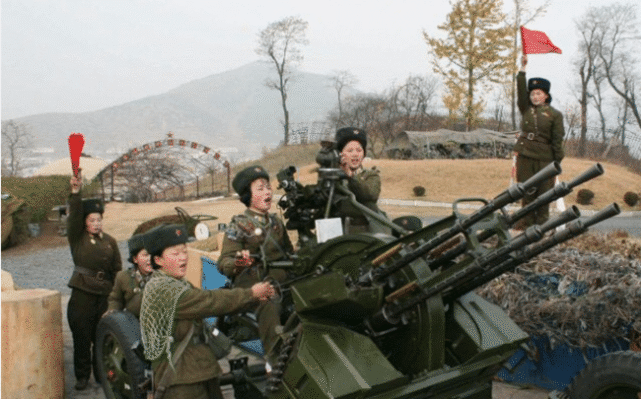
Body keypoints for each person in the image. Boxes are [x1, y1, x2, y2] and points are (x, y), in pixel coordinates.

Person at [139, 224, 275, 399]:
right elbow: (208, 302)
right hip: (180, 381)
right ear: (158, 260)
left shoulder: (177, 283)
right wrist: (251, 294)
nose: (183, 258)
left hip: (198, 370)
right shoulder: (163, 290)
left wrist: (254, 296)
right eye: (175, 254)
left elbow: (212, 300)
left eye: (184, 252)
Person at [218, 165, 293, 360]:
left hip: (282, 278)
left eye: (268, 187)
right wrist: (240, 263)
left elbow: (289, 254)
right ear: (247, 195)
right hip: (254, 282)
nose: (267, 192)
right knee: (268, 300)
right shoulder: (239, 225)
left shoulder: (276, 222)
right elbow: (224, 264)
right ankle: (276, 359)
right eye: (260, 188)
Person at [67, 170, 122, 390]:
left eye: (99, 219)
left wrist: (117, 294)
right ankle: (82, 376)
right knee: (81, 335)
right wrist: (76, 192)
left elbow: (117, 269)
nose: (97, 223)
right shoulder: (77, 238)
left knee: (103, 335)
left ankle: (102, 374)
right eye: (92, 220)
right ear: (85, 222)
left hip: (104, 294)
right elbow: (74, 216)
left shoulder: (110, 241)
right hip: (82, 292)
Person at [513, 54, 565, 229]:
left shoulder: (555, 115)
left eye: (538, 93)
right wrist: (523, 69)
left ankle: (542, 226)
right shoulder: (526, 109)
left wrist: (557, 161)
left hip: (545, 158)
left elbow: (558, 140)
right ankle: (525, 225)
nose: (534, 96)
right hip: (525, 155)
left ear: (546, 96)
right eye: (533, 93)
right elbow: (520, 92)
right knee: (526, 191)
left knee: (544, 194)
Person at [334, 126, 384, 233]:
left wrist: (350, 176)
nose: (355, 154)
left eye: (359, 150)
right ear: (340, 154)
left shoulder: (370, 175)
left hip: (366, 233)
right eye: (350, 150)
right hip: (337, 232)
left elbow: (370, 194)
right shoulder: (332, 176)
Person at [104, 232, 153, 318]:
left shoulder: (162, 276)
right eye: (145, 255)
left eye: (153, 254)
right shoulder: (123, 277)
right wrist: (112, 311)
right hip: (132, 322)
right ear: (135, 259)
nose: (150, 259)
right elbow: (115, 299)